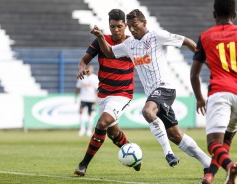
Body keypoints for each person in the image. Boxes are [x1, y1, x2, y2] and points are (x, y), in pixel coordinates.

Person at [91, 9, 211, 174]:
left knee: (147, 111)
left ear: (144, 22)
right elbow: (110, 52)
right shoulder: (129, 44)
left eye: (135, 26)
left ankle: (168, 153)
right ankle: (208, 163)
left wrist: (206, 61)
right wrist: (99, 37)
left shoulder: (157, 36)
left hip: (165, 88)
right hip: (154, 95)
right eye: (130, 27)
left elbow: (187, 41)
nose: (132, 30)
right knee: (176, 135)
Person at [190, 0, 237, 183]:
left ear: (214, 15)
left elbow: (194, 74)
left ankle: (229, 165)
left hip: (220, 92)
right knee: (226, 139)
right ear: (235, 14)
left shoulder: (205, 36)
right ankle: (211, 175)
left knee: (213, 143)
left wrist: (199, 98)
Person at [74, 9, 138, 177]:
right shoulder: (99, 42)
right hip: (103, 94)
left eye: (119, 26)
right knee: (113, 133)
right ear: (108, 26)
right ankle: (134, 155)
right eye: (112, 27)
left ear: (125, 25)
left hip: (122, 94)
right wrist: (83, 69)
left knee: (102, 123)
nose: (116, 30)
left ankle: (83, 164)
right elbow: (83, 61)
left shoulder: (132, 43)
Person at [75, 65, 99, 137]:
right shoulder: (82, 77)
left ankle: (89, 130)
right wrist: (75, 97)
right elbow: (78, 88)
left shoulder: (95, 78)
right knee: (81, 112)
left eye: (91, 69)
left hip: (91, 99)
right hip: (83, 98)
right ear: (86, 69)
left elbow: (97, 90)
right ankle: (82, 129)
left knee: (90, 114)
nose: (90, 70)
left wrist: (96, 98)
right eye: (88, 69)